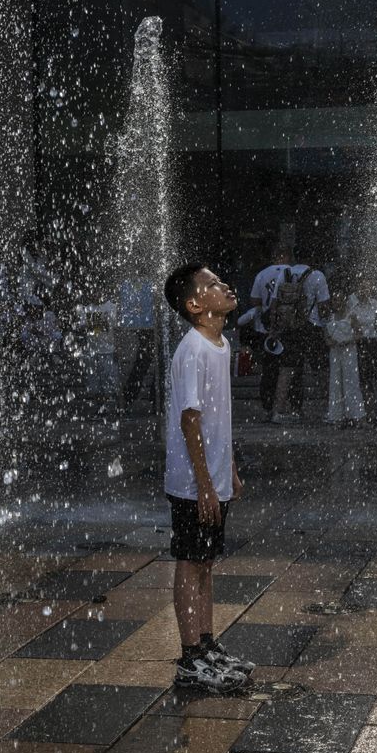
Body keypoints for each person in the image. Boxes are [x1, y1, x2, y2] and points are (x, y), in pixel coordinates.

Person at [162, 263, 255, 693]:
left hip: (212, 479)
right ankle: (189, 658)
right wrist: (202, 484)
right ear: (196, 305)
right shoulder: (193, 350)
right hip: (191, 484)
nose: (225, 286)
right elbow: (191, 422)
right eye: (213, 284)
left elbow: (221, 420)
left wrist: (227, 470)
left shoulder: (220, 345)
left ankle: (206, 643)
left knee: (205, 562)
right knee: (190, 560)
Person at [248, 245, 329, 423]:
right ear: (313, 258)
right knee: (322, 369)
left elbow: (275, 304)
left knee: (287, 369)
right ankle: (327, 409)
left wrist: (275, 328)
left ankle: (278, 411)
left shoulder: (285, 273)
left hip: (290, 328)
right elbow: (324, 306)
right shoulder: (317, 275)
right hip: (312, 326)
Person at [322, 293, 364, 427]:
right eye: (335, 300)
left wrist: (347, 341)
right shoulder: (329, 317)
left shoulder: (351, 316)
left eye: (340, 299)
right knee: (336, 382)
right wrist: (331, 342)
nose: (337, 302)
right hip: (335, 352)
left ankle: (355, 415)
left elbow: (359, 334)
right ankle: (337, 415)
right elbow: (326, 337)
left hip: (349, 351)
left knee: (351, 381)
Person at [347, 285, 377, 419]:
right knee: (362, 377)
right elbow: (349, 320)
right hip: (359, 342)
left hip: (373, 341)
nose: (364, 291)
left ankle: (375, 409)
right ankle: (363, 409)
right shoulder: (351, 302)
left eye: (367, 287)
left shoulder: (373, 303)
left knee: (373, 376)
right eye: (362, 287)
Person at [118, 277, 157, 405]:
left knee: (145, 361)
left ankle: (134, 395)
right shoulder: (146, 286)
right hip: (148, 326)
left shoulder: (145, 287)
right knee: (145, 360)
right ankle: (133, 395)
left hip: (148, 326)